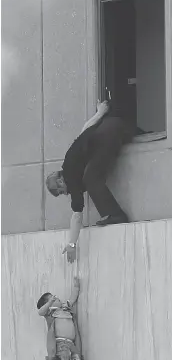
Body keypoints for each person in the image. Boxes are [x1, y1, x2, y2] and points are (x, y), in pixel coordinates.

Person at [45, 100, 133, 263]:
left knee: (91, 178)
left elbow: (77, 216)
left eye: (62, 192)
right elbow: (84, 130)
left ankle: (116, 215)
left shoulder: (72, 178)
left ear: (60, 182)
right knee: (90, 175)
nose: (66, 193)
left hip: (111, 133)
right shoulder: (71, 161)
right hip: (113, 125)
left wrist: (71, 243)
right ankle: (113, 214)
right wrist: (100, 113)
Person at [37, 277, 91, 360]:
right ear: (49, 304)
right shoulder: (51, 313)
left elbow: (72, 298)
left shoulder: (65, 308)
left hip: (71, 342)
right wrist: (50, 303)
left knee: (76, 358)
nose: (57, 299)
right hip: (61, 342)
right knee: (65, 357)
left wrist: (76, 287)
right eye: (52, 298)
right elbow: (40, 312)